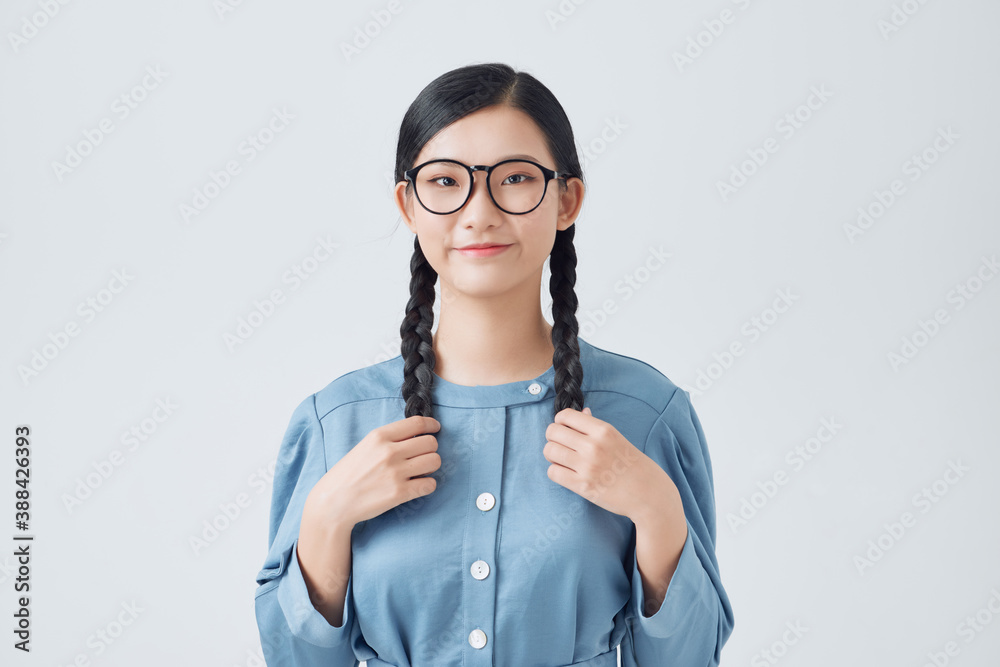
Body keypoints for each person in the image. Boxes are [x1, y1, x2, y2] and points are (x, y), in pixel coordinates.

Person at [254, 62, 735, 667]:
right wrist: (324, 522)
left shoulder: (645, 414)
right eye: (446, 181)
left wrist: (659, 513)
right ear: (408, 204)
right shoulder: (335, 425)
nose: (478, 211)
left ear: (567, 199)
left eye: (513, 178)